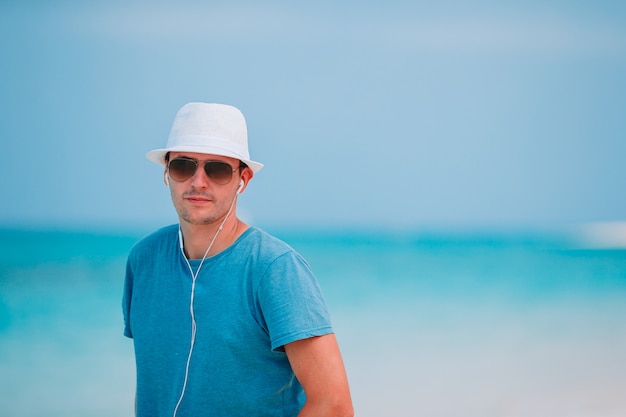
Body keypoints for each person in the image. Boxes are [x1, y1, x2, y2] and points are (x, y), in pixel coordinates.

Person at [122, 102, 353, 417]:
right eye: (183, 166)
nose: (198, 181)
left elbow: (333, 405)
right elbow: (154, 383)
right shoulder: (144, 260)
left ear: (243, 179)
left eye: (216, 169)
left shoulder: (275, 268)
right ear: (167, 173)